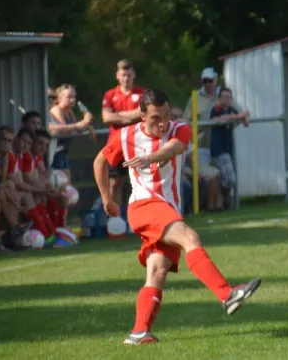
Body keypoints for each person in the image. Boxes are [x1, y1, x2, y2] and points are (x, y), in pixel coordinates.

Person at [93, 88, 261, 345]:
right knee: (190, 238)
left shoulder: (178, 128)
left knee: (157, 270)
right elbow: (99, 162)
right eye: (154, 118)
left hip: (164, 208)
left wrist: (152, 156)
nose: (161, 123)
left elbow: (175, 146)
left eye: (165, 116)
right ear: (142, 116)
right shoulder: (126, 136)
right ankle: (227, 295)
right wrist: (106, 199)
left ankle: (139, 331)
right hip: (144, 205)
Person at [101, 59, 145, 213]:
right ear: (117, 76)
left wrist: (117, 115)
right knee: (115, 183)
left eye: (129, 74)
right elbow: (106, 118)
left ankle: (138, 217)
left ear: (134, 75)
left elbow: (142, 113)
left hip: (138, 143)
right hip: (116, 144)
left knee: (140, 183)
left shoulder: (142, 93)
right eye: (123, 75)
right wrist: (131, 117)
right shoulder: (110, 94)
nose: (126, 78)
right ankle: (116, 220)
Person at [209, 87, 250, 209]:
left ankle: (224, 204)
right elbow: (218, 119)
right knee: (230, 178)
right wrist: (237, 116)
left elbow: (246, 120)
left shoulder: (232, 109)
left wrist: (243, 116)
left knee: (227, 179)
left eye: (229, 97)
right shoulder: (216, 109)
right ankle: (223, 201)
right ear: (219, 98)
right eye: (224, 97)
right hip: (219, 149)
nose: (227, 100)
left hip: (228, 148)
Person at [48, 84, 94, 182]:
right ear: (60, 98)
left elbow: (76, 128)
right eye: (69, 97)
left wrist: (88, 125)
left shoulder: (69, 110)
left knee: (66, 183)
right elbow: (65, 129)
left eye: (74, 97)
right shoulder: (56, 110)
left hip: (63, 151)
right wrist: (80, 125)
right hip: (55, 152)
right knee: (65, 183)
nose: (73, 100)